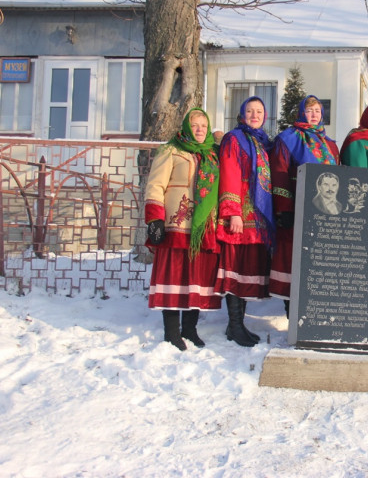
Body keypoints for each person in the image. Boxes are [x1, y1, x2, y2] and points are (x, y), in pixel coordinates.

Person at [145, 108, 221, 351]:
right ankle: (172, 332)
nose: (199, 130)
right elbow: (155, 185)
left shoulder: (211, 154)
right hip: (176, 225)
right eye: (195, 125)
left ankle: (190, 329)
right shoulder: (171, 150)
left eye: (203, 125)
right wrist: (154, 219)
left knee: (196, 278)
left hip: (202, 227)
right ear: (186, 127)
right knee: (174, 277)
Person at [269, 95, 340, 315]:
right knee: (294, 259)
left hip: (324, 213)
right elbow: (279, 174)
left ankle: (317, 309)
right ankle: (292, 310)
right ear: (301, 112)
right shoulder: (288, 139)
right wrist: (284, 209)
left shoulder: (330, 145)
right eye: (309, 111)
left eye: (317, 111)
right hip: (296, 210)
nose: (314, 115)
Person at [215, 96, 275, 347]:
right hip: (241, 215)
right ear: (241, 114)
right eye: (249, 111)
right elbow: (229, 172)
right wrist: (233, 212)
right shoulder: (234, 138)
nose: (254, 115)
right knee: (235, 268)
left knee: (247, 269)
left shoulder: (262, 142)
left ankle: (236, 325)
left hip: (256, 218)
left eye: (259, 111)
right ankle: (235, 324)